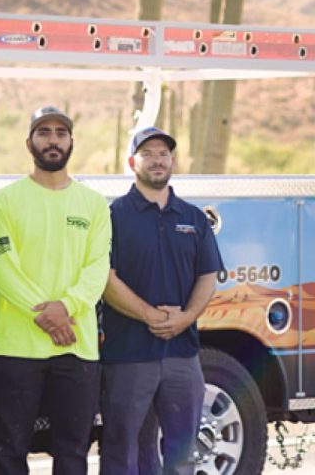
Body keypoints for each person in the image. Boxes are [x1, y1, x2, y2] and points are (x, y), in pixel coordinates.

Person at [0, 106, 111, 475]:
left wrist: (66, 307)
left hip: (76, 346)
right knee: (9, 450)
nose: (52, 140)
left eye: (60, 132)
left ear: (71, 142)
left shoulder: (93, 204)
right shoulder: (5, 200)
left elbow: (97, 267)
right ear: (29, 143)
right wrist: (48, 315)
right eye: (44, 132)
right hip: (18, 347)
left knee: (72, 452)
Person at [100, 126, 222, 475]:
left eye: (164, 154)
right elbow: (104, 278)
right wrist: (149, 315)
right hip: (128, 355)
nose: (157, 160)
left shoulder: (193, 218)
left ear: (172, 161)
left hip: (182, 354)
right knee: (122, 448)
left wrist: (185, 318)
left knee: (182, 450)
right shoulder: (113, 216)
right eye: (148, 154)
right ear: (131, 162)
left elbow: (207, 275)